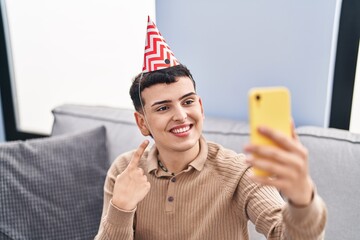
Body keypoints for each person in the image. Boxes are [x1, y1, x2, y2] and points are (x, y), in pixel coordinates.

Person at [95, 17, 327, 240]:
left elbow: (283, 235)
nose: (181, 115)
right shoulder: (124, 171)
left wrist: (302, 199)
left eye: (188, 102)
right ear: (142, 123)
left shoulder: (239, 172)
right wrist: (121, 208)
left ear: (201, 107)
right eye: (164, 108)